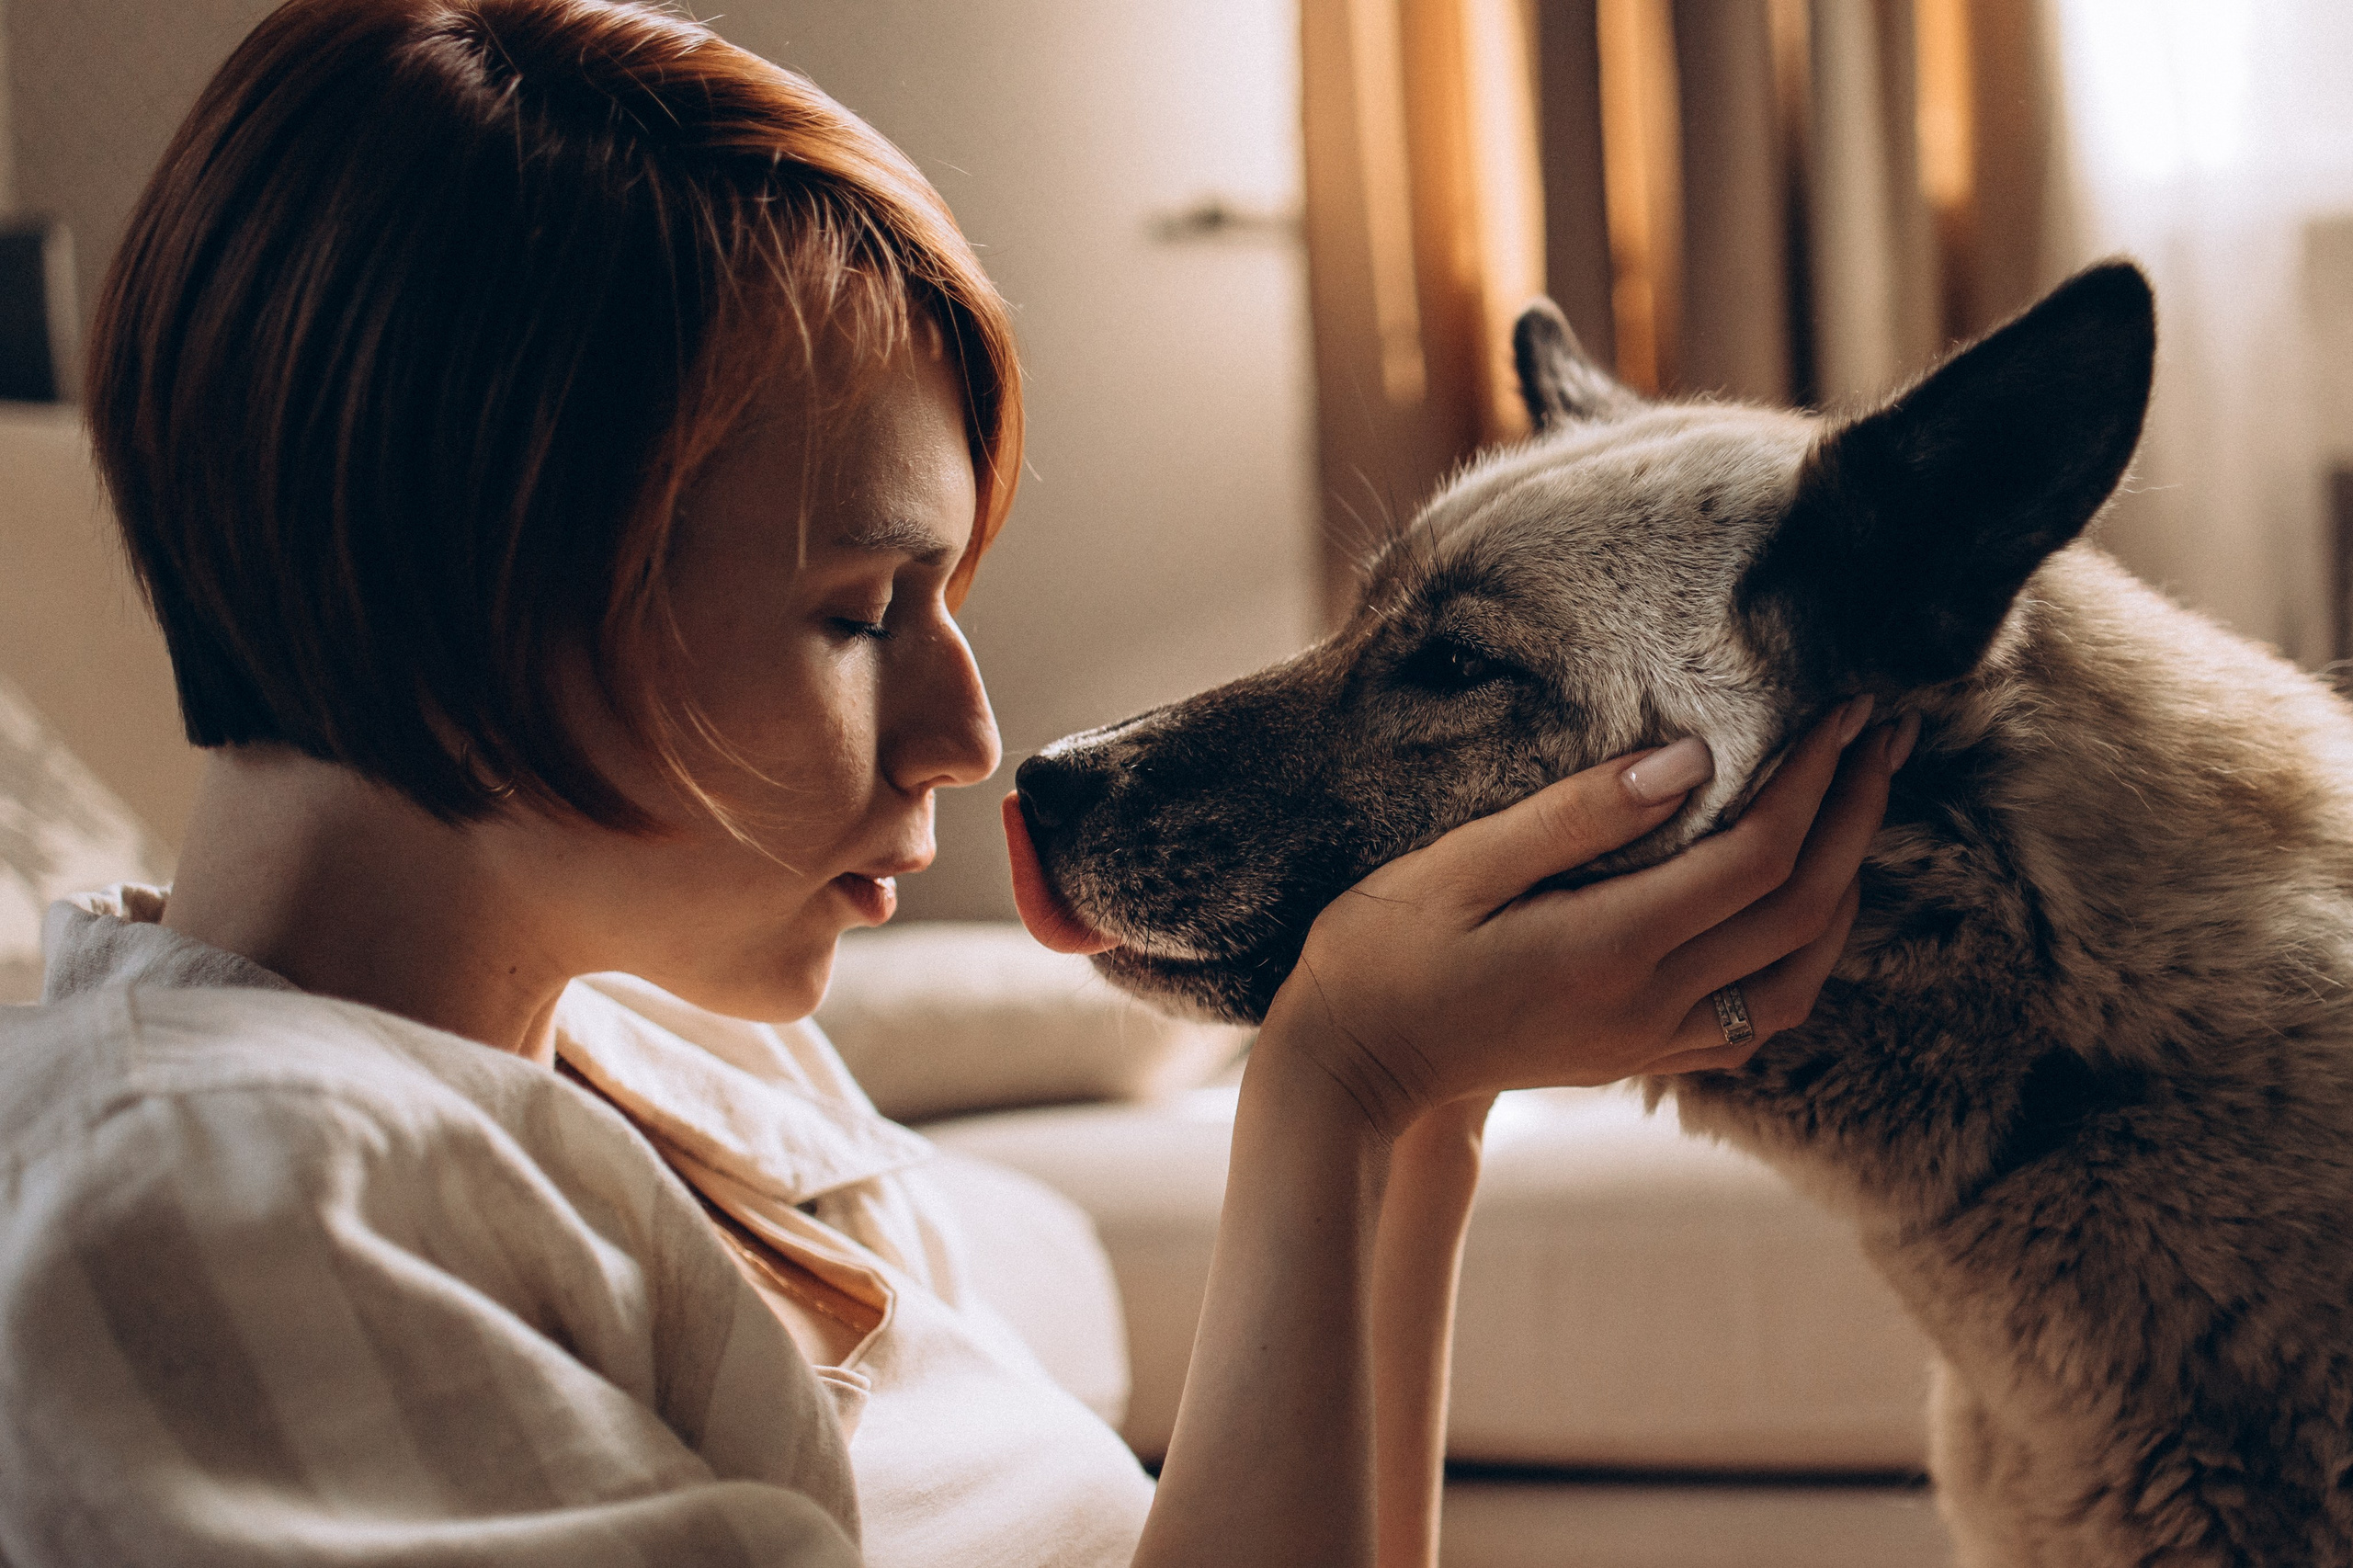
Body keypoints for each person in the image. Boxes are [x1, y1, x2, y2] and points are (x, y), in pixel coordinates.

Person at [0, 1, 1908, 1564]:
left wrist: (1418, 1101)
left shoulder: (674, 1051)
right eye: (859, 613)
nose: (969, 730)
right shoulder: (205, 1206)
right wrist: (1328, 1089)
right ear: (474, 579)